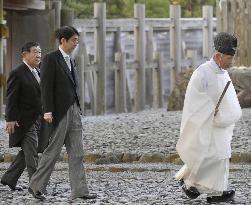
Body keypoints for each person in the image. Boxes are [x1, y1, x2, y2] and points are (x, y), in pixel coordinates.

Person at [28, 26, 97, 201]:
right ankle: (36, 185)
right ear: (63, 41)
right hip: (58, 112)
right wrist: (47, 111)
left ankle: (80, 190)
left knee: (78, 152)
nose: (76, 43)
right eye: (73, 40)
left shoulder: (71, 60)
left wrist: (77, 108)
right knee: (53, 151)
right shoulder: (51, 59)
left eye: (77, 40)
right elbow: (46, 87)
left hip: (74, 110)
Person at [175, 32, 242, 203]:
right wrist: (210, 109)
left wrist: (226, 112)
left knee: (219, 155)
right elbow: (194, 98)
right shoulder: (202, 72)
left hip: (220, 123)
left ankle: (193, 186)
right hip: (206, 122)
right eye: (228, 58)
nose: (231, 62)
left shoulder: (223, 73)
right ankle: (213, 192)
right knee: (210, 155)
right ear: (218, 56)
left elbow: (229, 98)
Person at [1, 42, 42, 191]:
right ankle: (36, 186)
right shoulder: (17, 73)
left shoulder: (38, 71)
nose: (38, 55)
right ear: (24, 54)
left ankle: (9, 178)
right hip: (24, 121)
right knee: (32, 154)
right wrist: (10, 119)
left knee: (28, 152)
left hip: (37, 119)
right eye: (35, 52)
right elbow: (11, 97)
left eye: (39, 52)